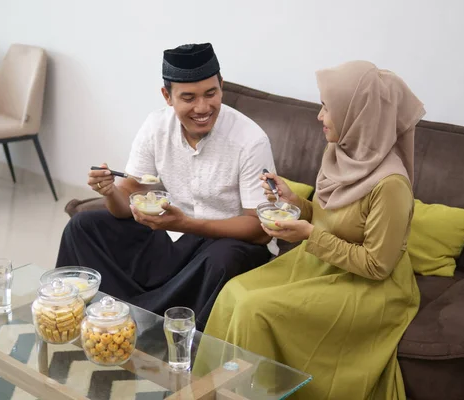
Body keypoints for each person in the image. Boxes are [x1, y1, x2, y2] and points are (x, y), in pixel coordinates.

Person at [204, 60, 425, 399]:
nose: (320, 117)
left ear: (358, 115)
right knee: (233, 291)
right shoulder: (341, 151)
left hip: (371, 288)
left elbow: (377, 265)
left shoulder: (391, 185)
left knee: (255, 310)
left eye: (327, 108)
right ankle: (215, 393)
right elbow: (332, 218)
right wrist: (295, 201)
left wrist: (308, 234)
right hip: (323, 262)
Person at [56, 43, 275, 330]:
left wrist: (187, 223)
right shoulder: (156, 127)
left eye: (211, 93)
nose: (202, 108)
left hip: (230, 242)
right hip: (175, 236)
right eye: (188, 97)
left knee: (223, 259)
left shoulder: (250, 141)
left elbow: (259, 229)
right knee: (83, 227)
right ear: (167, 96)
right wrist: (110, 192)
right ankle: (77, 317)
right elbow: (127, 198)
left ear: (222, 86)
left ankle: (142, 325)